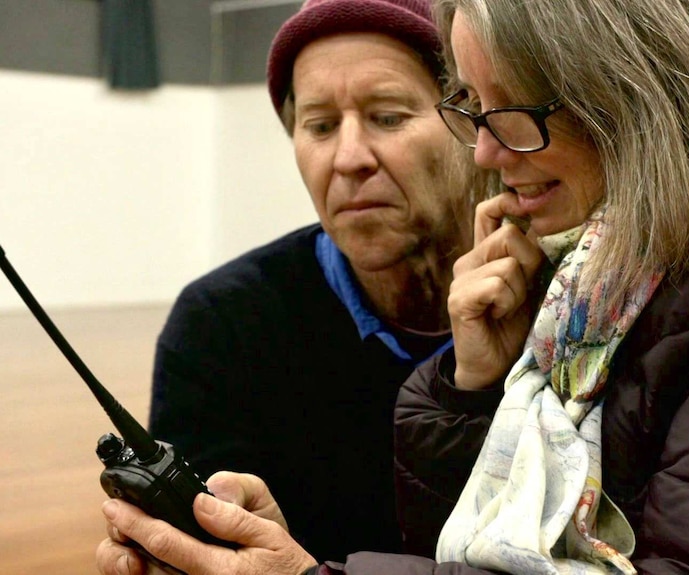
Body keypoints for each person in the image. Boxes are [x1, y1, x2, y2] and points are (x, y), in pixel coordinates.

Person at [97, 0, 689, 573]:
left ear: (640, 94)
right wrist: (471, 391)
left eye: (512, 111)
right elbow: (477, 552)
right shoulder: (597, 275)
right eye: (319, 125)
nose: (490, 152)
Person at [96, 0, 491, 572]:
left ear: (474, 126)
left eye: (387, 116)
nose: (348, 159)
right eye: (321, 126)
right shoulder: (222, 324)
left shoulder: (566, 306)